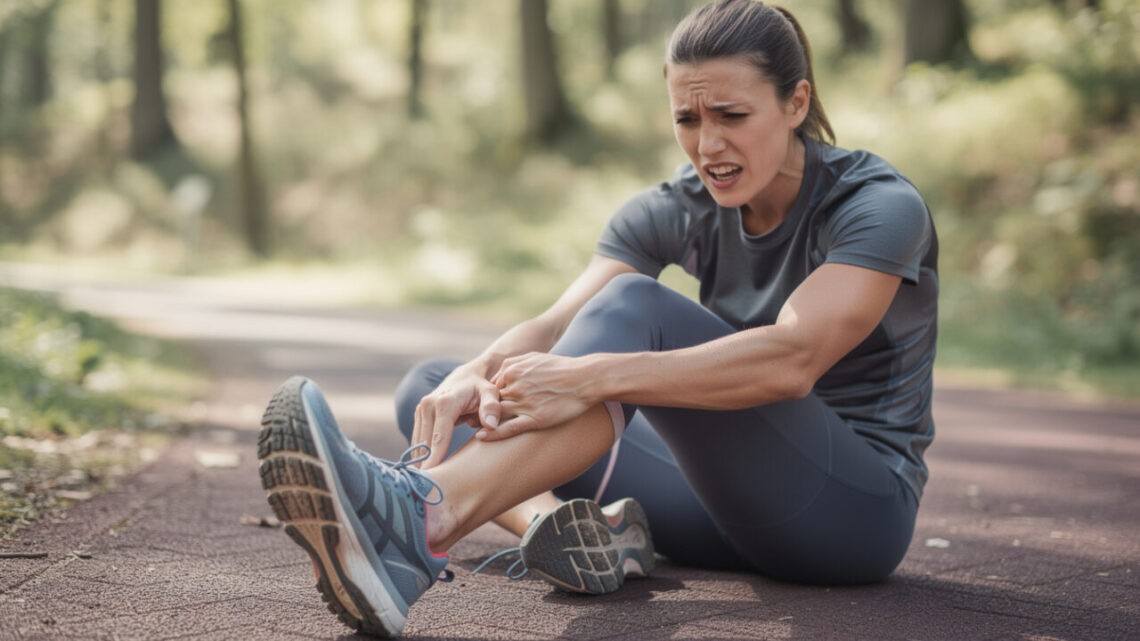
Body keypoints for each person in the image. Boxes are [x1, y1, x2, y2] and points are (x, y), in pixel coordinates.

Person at [256, 0, 938, 637]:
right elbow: (557, 326)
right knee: (438, 389)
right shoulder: (677, 204)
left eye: (731, 115)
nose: (707, 146)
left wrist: (592, 378)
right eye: (687, 120)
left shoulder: (876, 205)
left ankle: (421, 518)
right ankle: (570, 530)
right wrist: (477, 372)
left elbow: (794, 359)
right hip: (712, 509)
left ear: (796, 103)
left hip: (850, 515)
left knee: (633, 310)